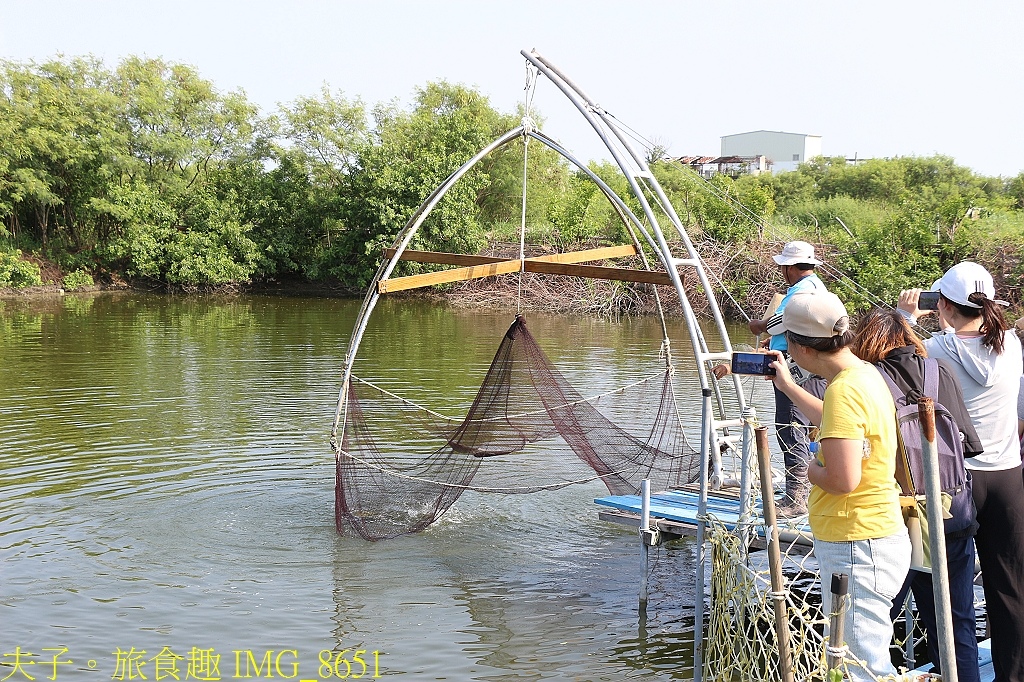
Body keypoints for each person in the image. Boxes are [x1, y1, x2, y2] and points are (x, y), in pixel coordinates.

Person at [768, 291, 910, 682]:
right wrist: (789, 388)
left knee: (863, 667)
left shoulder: (845, 390)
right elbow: (839, 420)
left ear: (801, 347)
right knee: (856, 657)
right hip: (869, 536)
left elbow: (842, 479)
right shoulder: (862, 374)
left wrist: (812, 466)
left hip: (857, 543)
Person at [899, 261, 1024, 682]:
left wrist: (905, 318)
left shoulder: (934, 349)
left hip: (955, 482)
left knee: (952, 598)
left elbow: (886, 359)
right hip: (1008, 478)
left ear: (945, 306)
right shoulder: (1011, 344)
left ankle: (962, 676)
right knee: (1010, 591)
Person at [850, 307, 983, 682]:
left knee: (872, 623)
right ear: (910, 337)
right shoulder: (939, 372)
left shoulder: (866, 380)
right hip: (949, 512)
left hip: (892, 518)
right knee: (956, 624)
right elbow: (970, 446)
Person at [713, 240, 828, 517]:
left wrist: (760, 326)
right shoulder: (818, 288)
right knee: (808, 429)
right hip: (810, 367)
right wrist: (770, 339)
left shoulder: (801, 291)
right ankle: (808, 490)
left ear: (790, 267)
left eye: (783, 267)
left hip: (797, 371)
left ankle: (795, 499)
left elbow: (782, 321)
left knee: (791, 429)